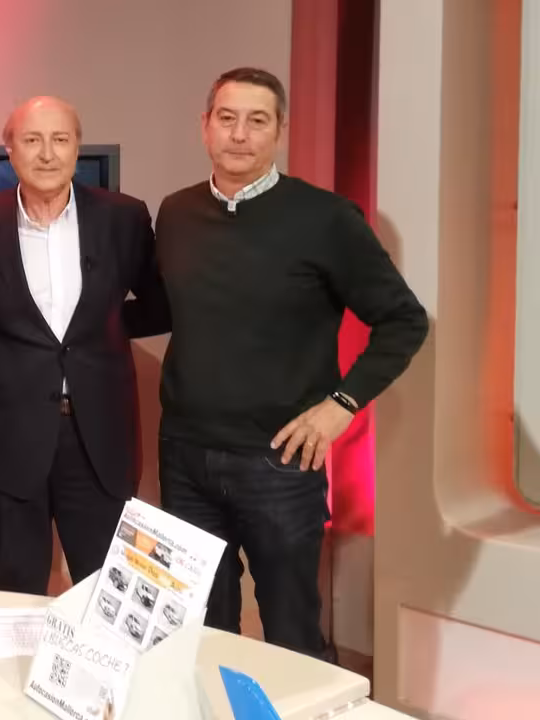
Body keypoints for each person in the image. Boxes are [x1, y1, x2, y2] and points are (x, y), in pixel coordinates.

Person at [153, 67, 429, 660]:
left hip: (279, 460)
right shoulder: (175, 213)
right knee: (198, 631)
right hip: (185, 456)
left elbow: (404, 320)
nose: (239, 135)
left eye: (257, 121)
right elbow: (162, 307)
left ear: (280, 130)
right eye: (227, 119)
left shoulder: (326, 218)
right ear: (205, 126)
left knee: (291, 636)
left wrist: (341, 406)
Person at [0, 96, 171, 595]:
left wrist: (105, 326)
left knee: (102, 591)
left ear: (76, 147)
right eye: (32, 140)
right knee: (17, 586)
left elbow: (160, 304)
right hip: (10, 436)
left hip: (98, 436)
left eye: (60, 139)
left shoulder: (123, 218)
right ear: (10, 149)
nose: (47, 153)